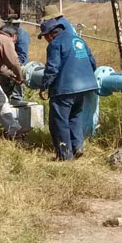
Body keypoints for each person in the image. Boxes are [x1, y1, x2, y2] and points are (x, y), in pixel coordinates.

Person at [38, 18, 98, 160]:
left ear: (50, 34)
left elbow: (52, 68)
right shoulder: (78, 40)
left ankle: (65, 156)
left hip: (65, 88)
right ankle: (77, 146)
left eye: (45, 36)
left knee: (59, 121)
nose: (46, 40)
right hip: (84, 87)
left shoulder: (55, 43)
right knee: (74, 116)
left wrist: (44, 86)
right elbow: (92, 63)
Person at [0, 22, 30, 106]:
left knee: (17, 74)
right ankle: (2, 99)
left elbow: (22, 55)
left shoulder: (22, 35)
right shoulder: (3, 30)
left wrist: (14, 68)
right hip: (4, 62)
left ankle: (16, 97)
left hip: (16, 61)